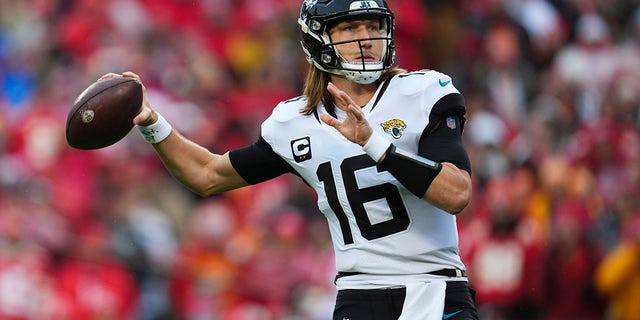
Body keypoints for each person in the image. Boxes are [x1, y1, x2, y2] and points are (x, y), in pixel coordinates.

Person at [102, 0, 477, 319]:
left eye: (372, 25)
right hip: (358, 295)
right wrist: (152, 123)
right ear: (319, 40)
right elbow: (207, 174)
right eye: (349, 29)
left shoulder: (424, 91)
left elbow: (456, 193)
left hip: (436, 289)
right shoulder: (294, 122)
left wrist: (376, 146)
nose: (366, 39)